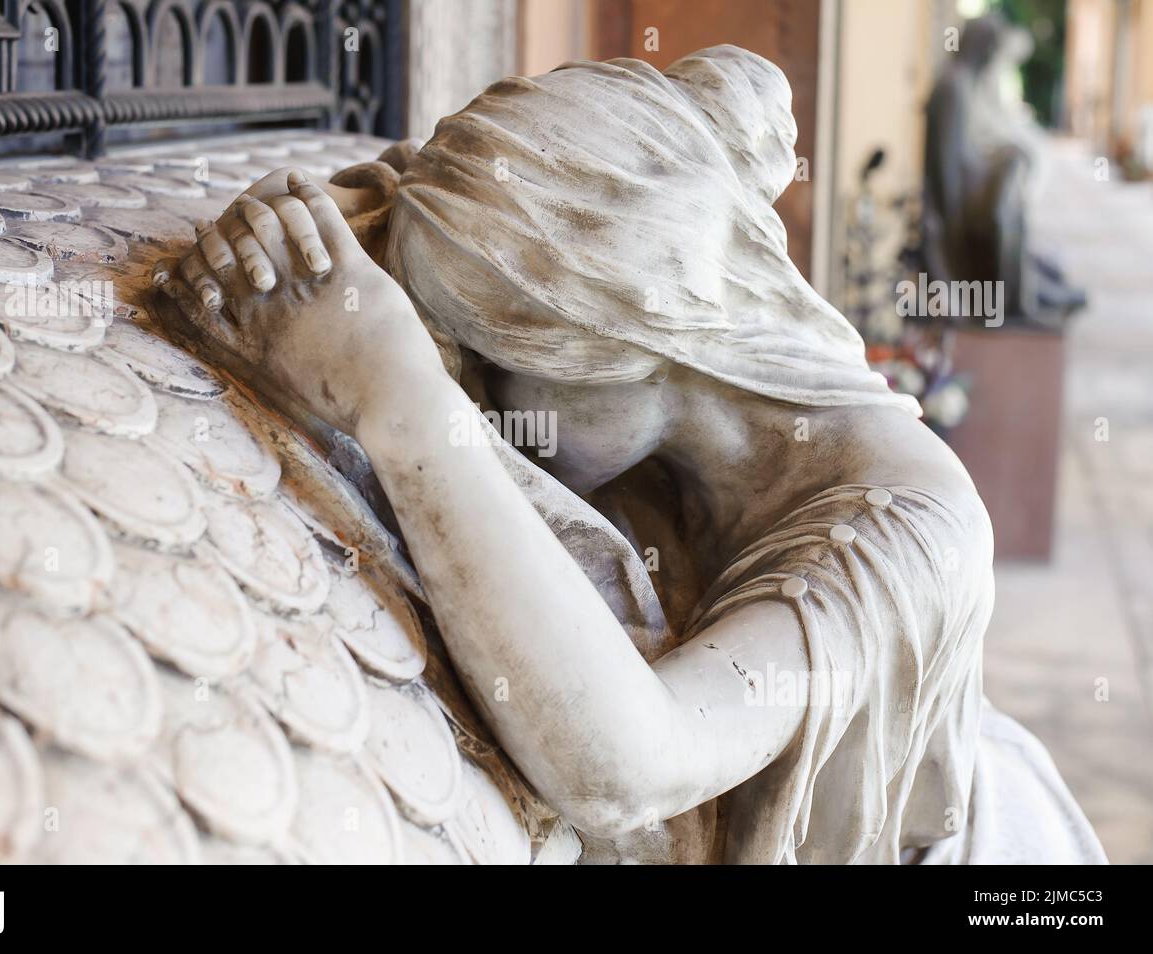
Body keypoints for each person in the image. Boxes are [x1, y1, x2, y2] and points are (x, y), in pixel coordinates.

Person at [153, 45, 1104, 864]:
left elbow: (631, 768)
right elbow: (425, 196)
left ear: (613, 337)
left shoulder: (913, 540)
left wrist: (400, 399)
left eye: (490, 368)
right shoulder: (670, 424)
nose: (481, 403)